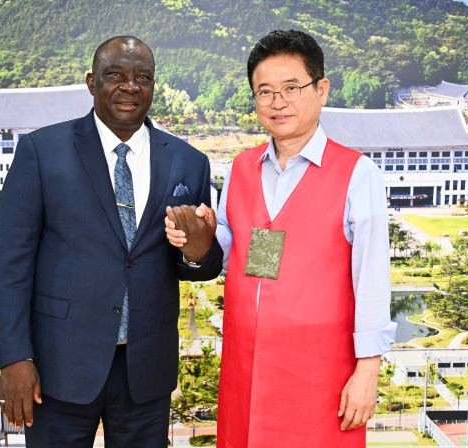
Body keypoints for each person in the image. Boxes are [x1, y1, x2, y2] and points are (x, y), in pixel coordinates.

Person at [165, 29, 396, 447]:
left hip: (321, 370)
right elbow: (226, 251)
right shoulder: (241, 168)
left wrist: (368, 371)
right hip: (245, 366)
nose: (278, 102)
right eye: (265, 92)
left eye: (292, 88)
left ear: (321, 90)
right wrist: (197, 238)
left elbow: (372, 280)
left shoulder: (358, 174)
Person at [0, 35, 222, 448]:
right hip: (58, 366)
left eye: (142, 77)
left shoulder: (190, 161)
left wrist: (199, 251)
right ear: (91, 82)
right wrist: (14, 357)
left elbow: (197, 265)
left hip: (145, 371)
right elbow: (11, 264)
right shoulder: (41, 151)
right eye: (115, 75)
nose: (130, 86)